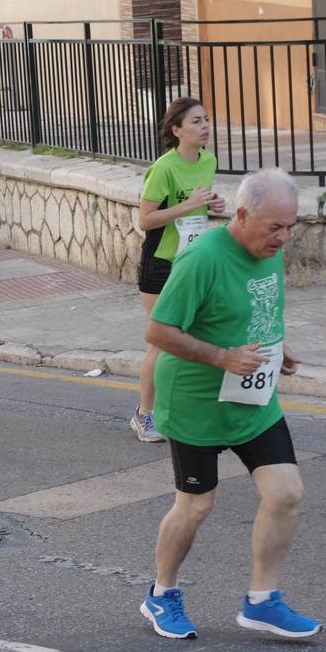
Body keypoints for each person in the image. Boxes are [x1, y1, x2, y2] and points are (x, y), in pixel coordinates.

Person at [139, 168, 319, 641]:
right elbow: (157, 331)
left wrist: (277, 347)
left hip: (253, 398)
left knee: (286, 492)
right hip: (195, 402)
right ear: (241, 215)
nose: (282, 238)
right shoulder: (202, 259)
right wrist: (223, 357)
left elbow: (256, 309)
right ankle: (161, 595)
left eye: (290, 226)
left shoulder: (269, 251)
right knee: (196, 506)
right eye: (273, 227)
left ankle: (262, 601)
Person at [132, 98, 226, 443]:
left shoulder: (208, 161)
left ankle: (187, 408)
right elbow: (145, 219)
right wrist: (187, 205)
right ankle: (144, 414)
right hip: (161, 263)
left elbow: (199, 210)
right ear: (176, 130)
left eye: (206, 119)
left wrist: (215, 205)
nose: (205, 127)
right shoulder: (165, 168)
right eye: (196, 121)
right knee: (161, 341)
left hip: (193, 262)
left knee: (198, 337)